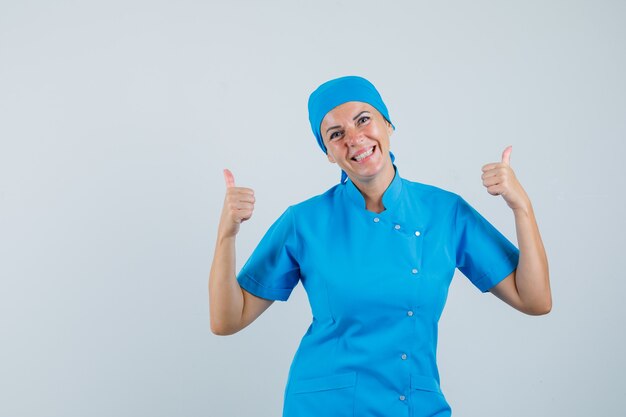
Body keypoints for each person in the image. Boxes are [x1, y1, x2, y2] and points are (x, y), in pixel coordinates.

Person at [209, 75, 551, 417]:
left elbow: (534, 300)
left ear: (388, 125)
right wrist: (227, 235)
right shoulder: (305, 222)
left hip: (414, 404)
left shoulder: (445, 212)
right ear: (328, 153)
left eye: (363, 120)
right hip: (325, 406)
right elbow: (228, 320)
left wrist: (522, 207)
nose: (355, 139)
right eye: (336, 134)